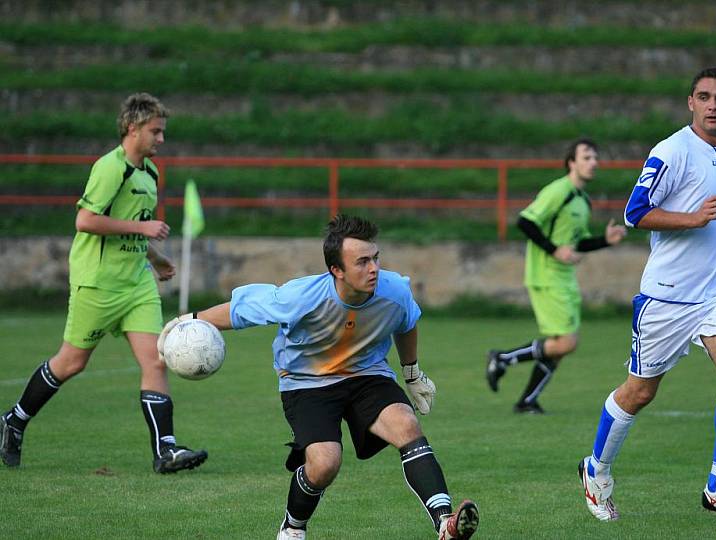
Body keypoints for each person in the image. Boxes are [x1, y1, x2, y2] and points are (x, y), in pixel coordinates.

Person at [158, 214, 479, 540]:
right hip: (306, 382)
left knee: (407, 425)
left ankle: (445, 523)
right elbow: (240, 311)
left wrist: (412, 374)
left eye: (376, 258)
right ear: (336, 270)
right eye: (362, 262)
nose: (374, 269)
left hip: (367, 374)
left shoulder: (393, 291)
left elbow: (407, 321)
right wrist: (186, 321)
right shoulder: (301, 297)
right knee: (325, 463)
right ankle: (293, 527)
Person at [578, 67, 716, 525]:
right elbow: (635, 212)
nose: (713, 105)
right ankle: (596, 470)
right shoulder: (671, 151)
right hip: (667, 297)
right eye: (704, 97)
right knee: (640, 392)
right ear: (691, 103)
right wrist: (695, 220)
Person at [0, 93, 207, 473]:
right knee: (71, 363)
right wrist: (142, 227)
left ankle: (166, 451)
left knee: (156, 360)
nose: (161, 139)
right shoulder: (111, 168)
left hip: (136, 284)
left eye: (163, 132)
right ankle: (13, 420)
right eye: (155, 131)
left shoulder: (150, 173)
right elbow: (86, 220)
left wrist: (154, 257)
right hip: (98, 283)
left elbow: (131, 226)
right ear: (133, 128)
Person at [485, 139, 627, 413]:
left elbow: (577, 244)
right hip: (546, 275)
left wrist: (605, 241)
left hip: (564, 277)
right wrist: (553, 250)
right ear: (571, 163)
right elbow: (525, 221)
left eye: (595, 158)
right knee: (566, 342)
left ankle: (527, 401)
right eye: (586, 157)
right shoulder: (559, 190)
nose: (593, 162)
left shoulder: (583, 201)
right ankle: (502, 358)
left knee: (558, 347)